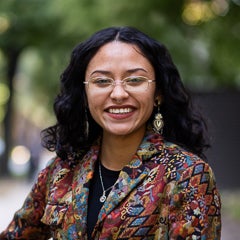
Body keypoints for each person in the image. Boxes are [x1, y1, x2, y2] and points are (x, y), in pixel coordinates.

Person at [0, 26, 221, 239]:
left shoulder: (187, 174)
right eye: (102, 81)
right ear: (85, 94)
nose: (118, 93)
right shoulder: (62, 170)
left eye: (134, 80)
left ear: (158, 93)